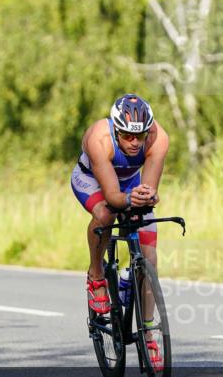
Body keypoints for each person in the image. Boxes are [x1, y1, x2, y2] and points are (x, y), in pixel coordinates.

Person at [70, 94, 169, 361]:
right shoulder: (98, 138)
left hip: (128, 182)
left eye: (140, 136)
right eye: (126, 136)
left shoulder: (159, 138)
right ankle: (96, 273)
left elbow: (148, 188)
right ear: (115, 129)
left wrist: (148, 196)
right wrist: (126, 200)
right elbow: (113, 196)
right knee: (105, 213)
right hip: (92, 180)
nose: (135, 142)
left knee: (149, 255)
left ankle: (148, 332)